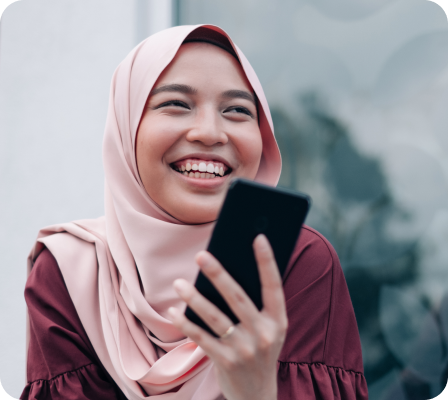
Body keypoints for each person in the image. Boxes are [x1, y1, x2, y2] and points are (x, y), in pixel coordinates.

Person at [21, 25, 368, 400]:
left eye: (237, 110)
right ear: (125, 129)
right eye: (177, 104)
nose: (209, 133)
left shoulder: (293, 263)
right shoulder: (72, 272)